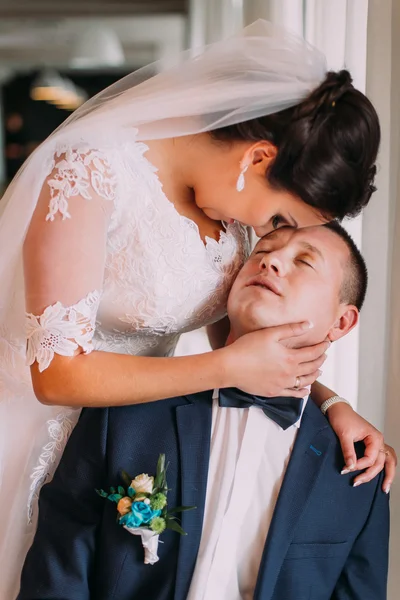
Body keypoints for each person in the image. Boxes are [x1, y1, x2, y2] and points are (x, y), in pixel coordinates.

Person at [0, 20, 395, 598]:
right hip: (34, 429)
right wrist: (230, 371)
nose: (270, 237)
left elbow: (232, 341)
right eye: (282, 220)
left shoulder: (235, 219)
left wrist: (327, 402)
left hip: (129, 439)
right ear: (258, 157)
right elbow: (55, 375)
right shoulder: (92, 173)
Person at [17, 222, 390, 600]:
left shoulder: (359, 471)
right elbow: (56, 575)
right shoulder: (126, 416)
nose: (271, 260)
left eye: (304, 261)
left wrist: (331, 401)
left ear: (342, 321)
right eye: (261, 251)